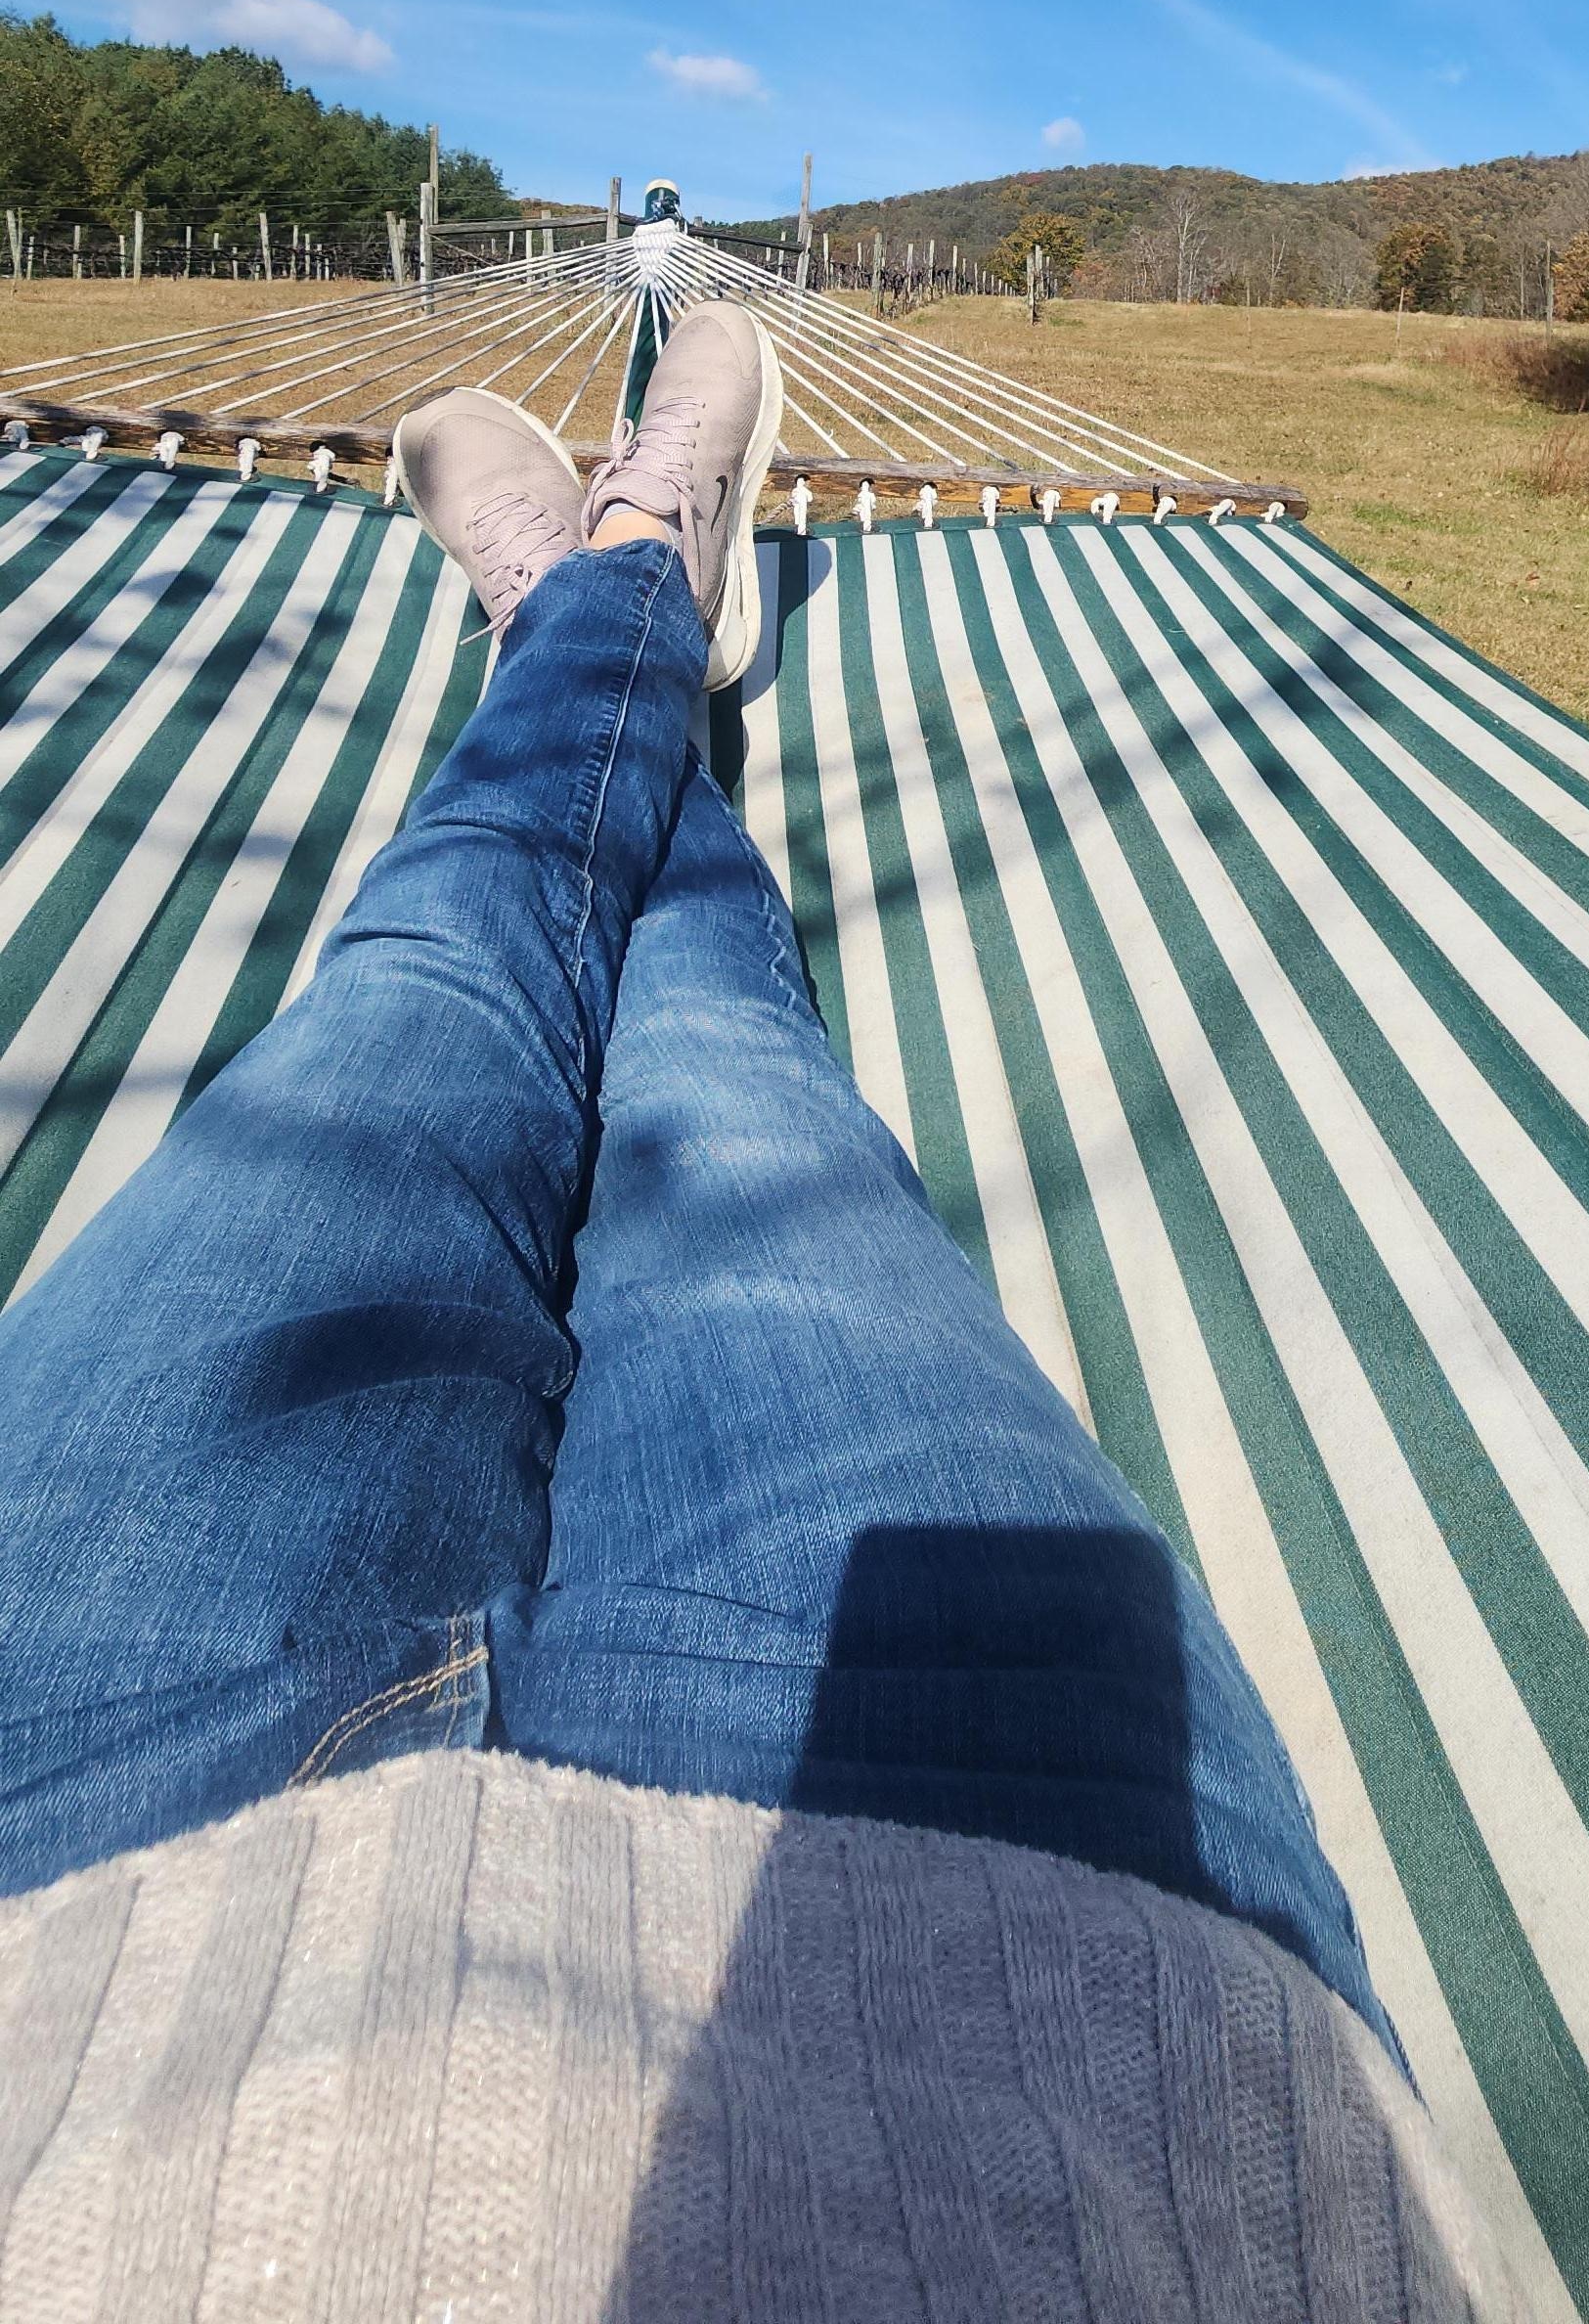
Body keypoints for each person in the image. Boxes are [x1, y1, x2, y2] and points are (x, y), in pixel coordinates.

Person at [0, 307, 1498, 2318]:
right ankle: (632, 590)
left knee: (419, 986)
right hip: (1025, 1965)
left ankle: (582, 617)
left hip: (59, 1842)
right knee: (725, 1060)